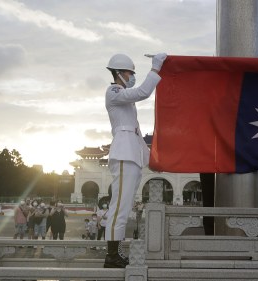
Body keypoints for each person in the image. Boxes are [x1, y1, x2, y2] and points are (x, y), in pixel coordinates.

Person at [103, 52, 167, 268]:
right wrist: (155, 69)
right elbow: (143, 92)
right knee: (119, 204)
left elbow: (139, 136)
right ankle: (111, 255)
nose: (132, 76)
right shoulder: (113, 91)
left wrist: (151, 162)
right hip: (123, 154)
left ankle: (116, 251)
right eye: (130, 72)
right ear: (119, 73)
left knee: (125, 205)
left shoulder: (127, 101)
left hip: (131, 155)